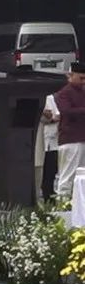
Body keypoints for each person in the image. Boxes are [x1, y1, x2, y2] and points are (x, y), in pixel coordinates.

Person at [55, 62, 85, 198]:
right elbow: (66, 111)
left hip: (82, 138)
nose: (83, 81)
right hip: (71, 139)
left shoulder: (82, 92)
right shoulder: (64, 92)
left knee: (81, 178)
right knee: (68, 176)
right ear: (71, 76)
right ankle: (62, 208)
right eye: (81, 78)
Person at [41, 93, 60, 201]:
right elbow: (46, 116)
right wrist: (50, 117)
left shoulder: (50, 96)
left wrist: (51, 117)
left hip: (53, 141)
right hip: (41, 139)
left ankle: (50, 198)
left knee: (51, 171)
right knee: (42, 172)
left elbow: (56, 115)